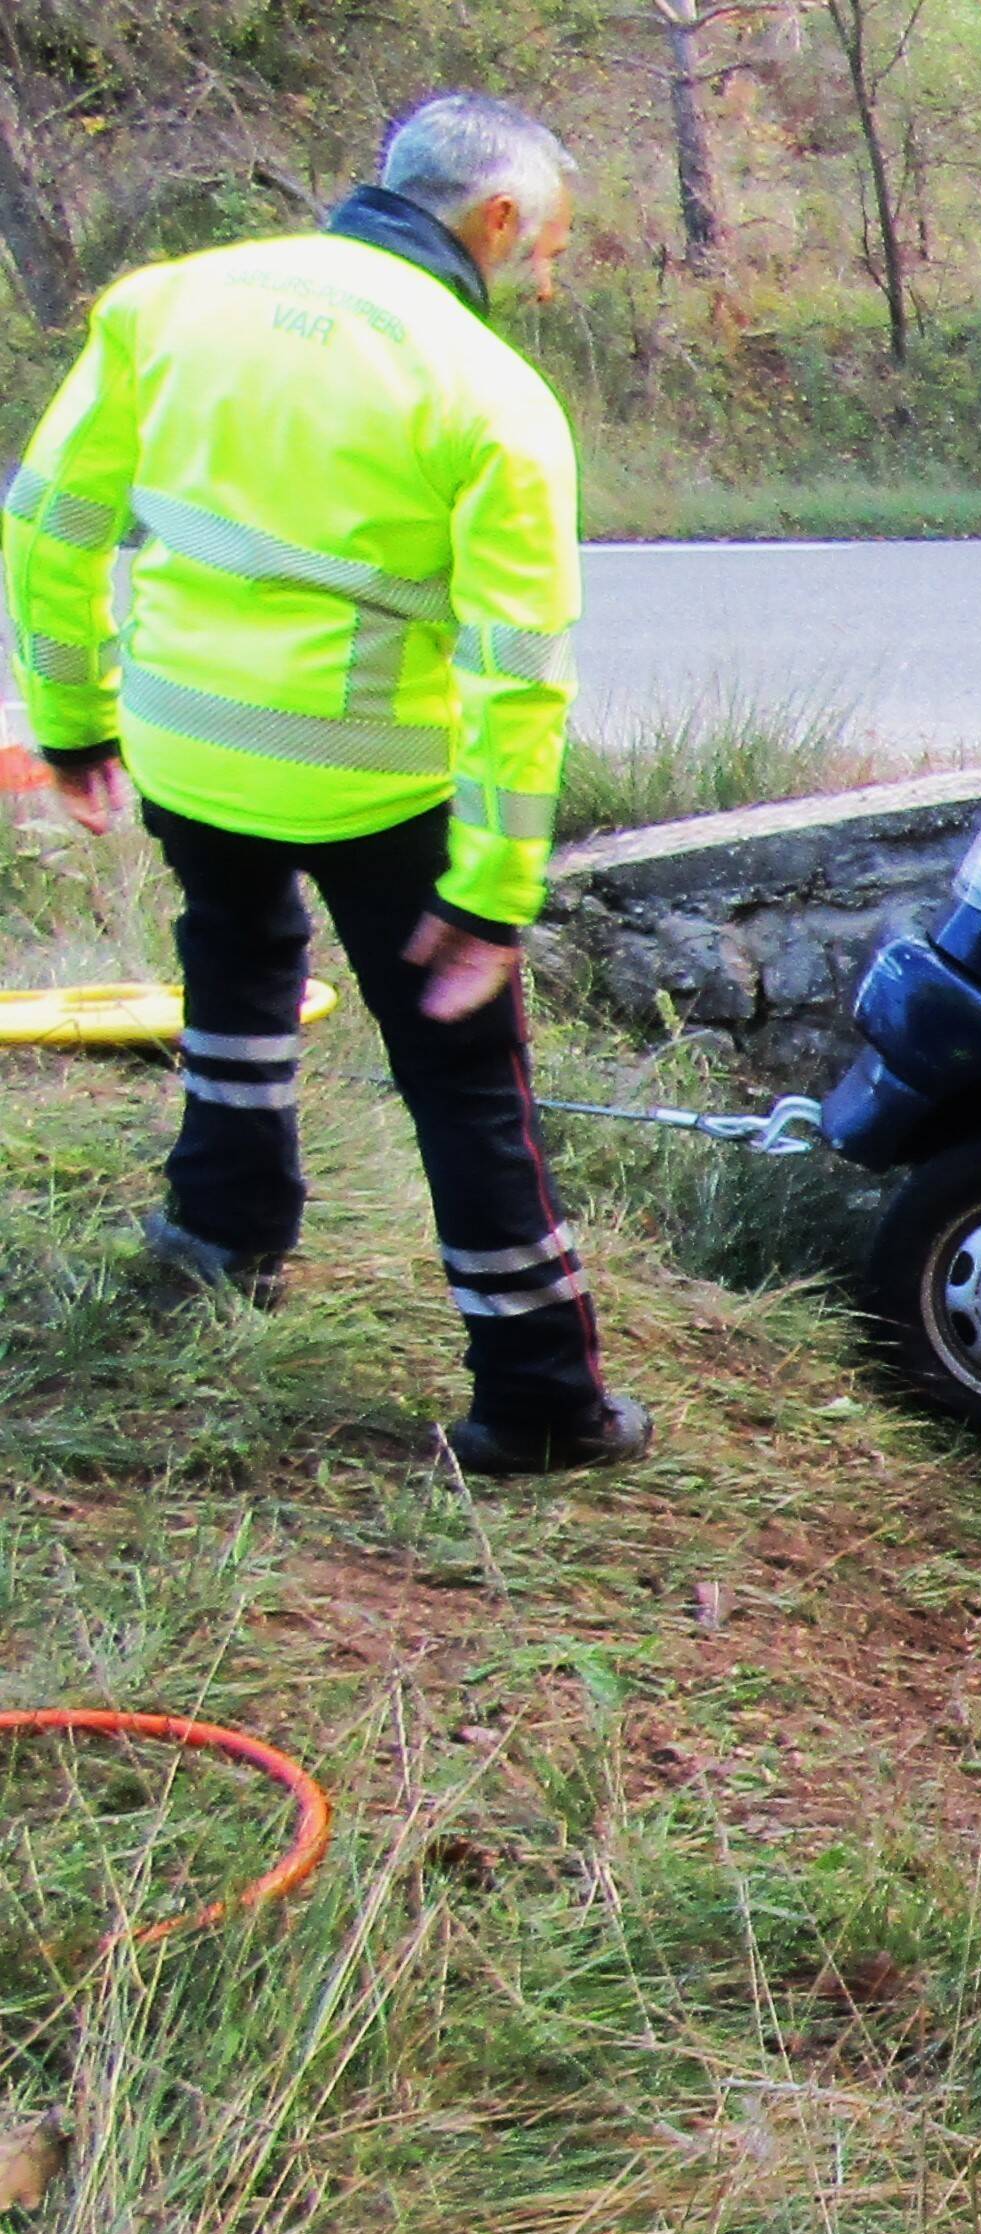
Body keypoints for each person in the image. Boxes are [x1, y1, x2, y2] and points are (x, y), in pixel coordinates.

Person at [5, 94, 637, 1473]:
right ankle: (538, 1397)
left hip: (187, 750)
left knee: (233, 964)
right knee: (464, 1078)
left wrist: (74, 726)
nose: (541, 279)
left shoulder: (169, 304)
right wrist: (490, 895)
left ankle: (215, 1234)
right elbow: (518, 679)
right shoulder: (488, 399)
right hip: (373, 784)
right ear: (498, 219)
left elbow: (51, 526)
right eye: (545, 251)